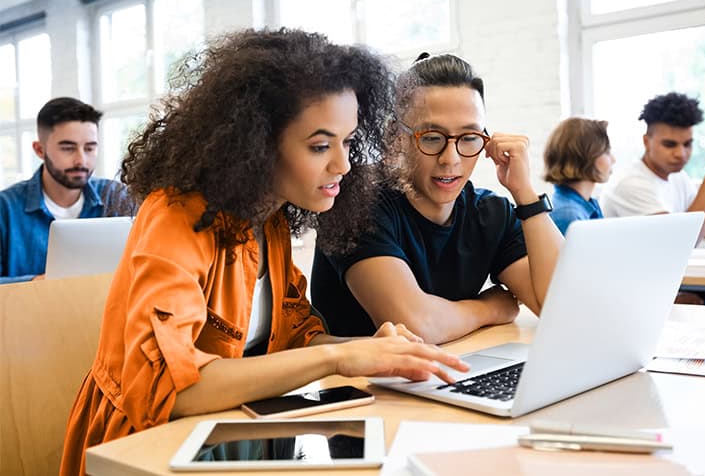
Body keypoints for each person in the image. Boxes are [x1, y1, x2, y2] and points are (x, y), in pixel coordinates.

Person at [59, 29, 468, 476]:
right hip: (142, 447)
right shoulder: (176, 216)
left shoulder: (270, 221)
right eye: (320, 146)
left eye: (348, 141)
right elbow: (171, 389)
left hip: (227, 435)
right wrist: (338, 358)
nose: (343, 164)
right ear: (256, 144)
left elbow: (295, 339)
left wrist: (373, 350)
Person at [310, 53, 563, 344]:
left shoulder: (490, 213)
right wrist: (490, 308)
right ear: (395, 136)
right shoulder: (355, 202)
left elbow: (562, 307)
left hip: (455, 365)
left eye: (469, 137)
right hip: (363, 375)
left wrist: (525, 194)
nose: (450, 159)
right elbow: (415, 326)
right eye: (431, 137)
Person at [0, 97, 132, 284]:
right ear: (39, 150)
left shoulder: (116, 197)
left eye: (89, 148)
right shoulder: (5, 208)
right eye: (68, 148)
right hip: (33, 304)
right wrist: (36, 283)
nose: (81, 160)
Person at [600, 92, 705, 246]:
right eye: (669, 145)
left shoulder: (678, 177)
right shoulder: (630, 184)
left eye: (687, 144)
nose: (681, 154)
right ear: (646, 142)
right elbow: (681, 242)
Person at [543, 117, 614, 235]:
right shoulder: (569, 215)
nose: (613, 159)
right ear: (587, 157)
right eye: (606, 152)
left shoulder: (585, 205)